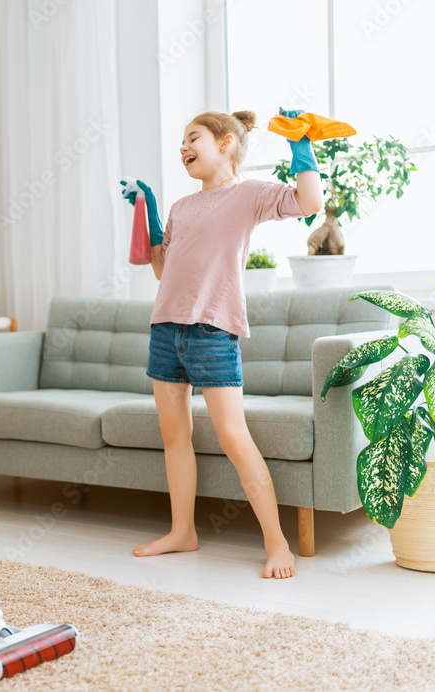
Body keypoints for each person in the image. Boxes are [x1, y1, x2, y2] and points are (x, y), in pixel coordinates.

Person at [123, 109, 323, 579]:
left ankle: (278, 545)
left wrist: (301, 147)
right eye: (182, 143)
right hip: (165, 329)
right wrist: (150, 209)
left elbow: (309, 202)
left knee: (235, 438)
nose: (183, 148)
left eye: (193, 138)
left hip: (213, 330)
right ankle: (181, 533)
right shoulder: (182, 208)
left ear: (227, 142)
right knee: (175, 437)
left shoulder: (247, 195)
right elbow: (160, 269)